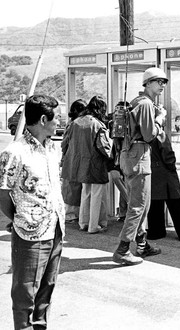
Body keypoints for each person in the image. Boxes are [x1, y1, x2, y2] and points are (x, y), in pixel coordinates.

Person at [0, 94, 65, 329]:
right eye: (57, 118)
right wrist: (20, 217)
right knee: (25, 291)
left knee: (46, 290)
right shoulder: (15, 152)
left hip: (55, 228)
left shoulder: (52, 149)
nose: (60, 121)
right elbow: (2, 193)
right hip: (30, 233)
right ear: (44, 119)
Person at [112, 67, 167, 266]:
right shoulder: (145, 104)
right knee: (138, 205)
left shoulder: (139, 102)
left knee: (143, 203)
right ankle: (123, 249)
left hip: (132, 154)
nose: (162, 85)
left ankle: (142, 244)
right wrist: (160, 119)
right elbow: (148, 134)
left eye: (164, 82)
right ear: (148, 83)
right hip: (138, 155)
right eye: (158, 81)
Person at [61, 95, 112, 234]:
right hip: (96, 165)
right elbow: (104, 147)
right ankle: (93, 226)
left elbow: (65, 143)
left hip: (80, 166)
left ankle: (83, 223)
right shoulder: (97, 125)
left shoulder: (75, 122)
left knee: (85, 193)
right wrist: (113, 156)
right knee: (96, 196)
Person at [61, 99, 87, 224]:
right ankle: (70, 214)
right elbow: (65, 142)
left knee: (72, 186)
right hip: (72, 156)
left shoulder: (72, 123)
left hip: (70, 157)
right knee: (72, 187)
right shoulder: (74, 124)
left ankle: (71, 214)